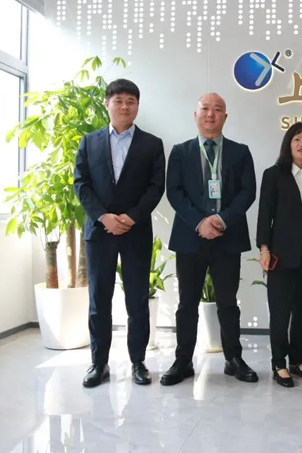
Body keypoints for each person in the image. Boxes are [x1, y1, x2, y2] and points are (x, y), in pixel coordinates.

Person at [160, 93, 258, 386]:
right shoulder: (181, 152)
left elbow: (247, 192)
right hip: (190, 238)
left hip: (227, 237)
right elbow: (174, 191)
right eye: (205, 108)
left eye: (217, 110)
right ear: (196, 115)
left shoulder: (240, 152)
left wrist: (222, 219)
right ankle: (182, 361)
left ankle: (234, 359)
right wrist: (200, 222)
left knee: (228, 302)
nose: (211, 114)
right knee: (187, 303)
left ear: (225, 117)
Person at [74, 79, 166, 388]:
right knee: (99, 299)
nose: (125, 106)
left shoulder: (152, 144)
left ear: (137, 106)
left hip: (135, 231)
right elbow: (81, 184)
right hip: (100, 231)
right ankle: (98, 364)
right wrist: (103, 217)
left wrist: (131, 216)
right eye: (119, 100)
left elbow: (156, 186)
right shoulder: (89, 141)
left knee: (137, 298)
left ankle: (138, 362)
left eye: (131, 101)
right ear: (107, 104)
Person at [256, 122, 302, 388]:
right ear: (288, 144)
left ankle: (297, 359)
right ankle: (279, 364)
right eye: (297, 139)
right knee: (280, 310)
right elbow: (265, 215)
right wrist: (264, 248)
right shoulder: (274, 175)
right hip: (282, 252)